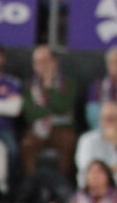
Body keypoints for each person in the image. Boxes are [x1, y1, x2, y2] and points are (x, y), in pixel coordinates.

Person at [20, 45, 79, 178]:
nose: (42, 66)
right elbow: (30, 114)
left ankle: (61, 185)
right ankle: (32, 185)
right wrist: (52, 112)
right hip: (37, 129)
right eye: (37, 62)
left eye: (45, 61)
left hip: (62, 129)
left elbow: (63, 107)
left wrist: (49, 87)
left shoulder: (68, 84)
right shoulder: (29, 86)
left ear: (55, 62)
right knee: (27, 144)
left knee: (68, 142)